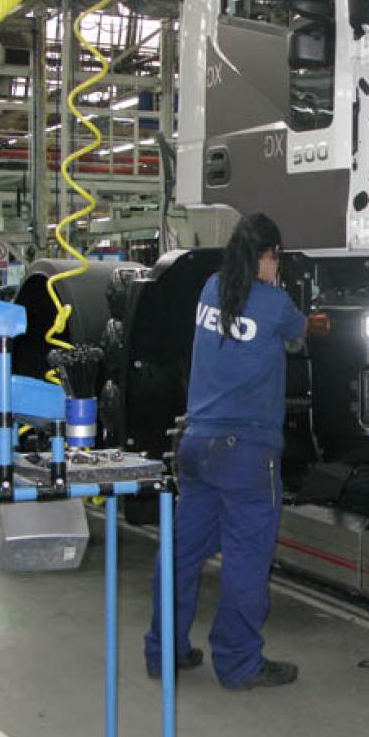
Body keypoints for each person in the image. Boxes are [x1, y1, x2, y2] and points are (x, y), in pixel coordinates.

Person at [144, 213, 309, 690]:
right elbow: (299, 337)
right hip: (247, 455)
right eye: (275, 257)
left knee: (181, 553)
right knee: (245, 560)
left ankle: (165, 651)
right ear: (269, 255)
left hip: (196, 447)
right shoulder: (275, 303)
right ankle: (238, 664)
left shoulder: (211, 289)